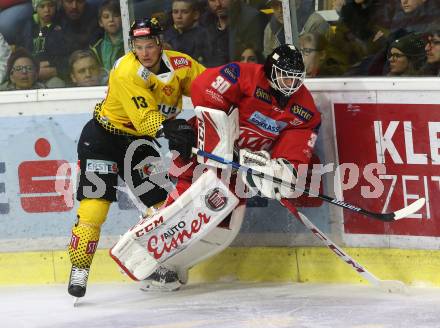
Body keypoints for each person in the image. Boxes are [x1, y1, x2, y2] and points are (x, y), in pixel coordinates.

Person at [110, 44, 321, 291]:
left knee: (223, 224)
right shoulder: (243, 75)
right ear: (270, 70)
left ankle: (175, 265)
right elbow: (204, 88)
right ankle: (150, 246)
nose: (289, 84)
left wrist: (280, 172)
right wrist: (221, 139)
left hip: (238, 168)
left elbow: (296, 148)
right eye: (284, 76)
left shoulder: (305, 109)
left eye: (295, 78)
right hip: (200, 150)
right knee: (182, 203)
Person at [67, 17, 205, 299]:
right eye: (138, 46)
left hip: (139, 144)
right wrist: (169, 127)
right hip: (102, 139)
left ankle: (158, 262)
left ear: (160, 43)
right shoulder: (127, 71)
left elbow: (209, 87)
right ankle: (79, 268)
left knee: (163, 206)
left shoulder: (182, 65)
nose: (144, 52)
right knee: (94, 209)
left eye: (150, 45)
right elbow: (144, 120)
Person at [15, 0, 67, 88]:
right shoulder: (27, 27)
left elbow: (68, 55)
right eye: (42, 6)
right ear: (36, 8)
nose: (47, 10)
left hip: (52, 74)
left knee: (57, 85)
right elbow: (19, 52)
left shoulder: (63, 25)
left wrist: (50, 64)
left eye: (51, 5)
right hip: (27, 72)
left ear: (56, 7)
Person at [90, 0, 124, 82]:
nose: (111, 19)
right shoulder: (96, 48)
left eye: (115, 15)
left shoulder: (130, 43)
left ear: (123, 18)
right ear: (100, 23)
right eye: (106, 16)